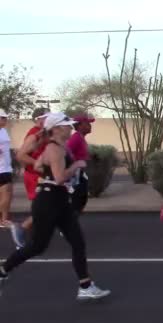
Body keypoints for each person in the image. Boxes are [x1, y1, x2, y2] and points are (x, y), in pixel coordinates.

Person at [0, 112, 111, 300]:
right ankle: (3, 270)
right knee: (37, 246)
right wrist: (76, 165)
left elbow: (36, 166)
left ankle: (85, 286)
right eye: (67, 125)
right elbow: (60, 178)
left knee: (78, 242)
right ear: (57, 129)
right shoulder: (55, 149)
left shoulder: (57, 147)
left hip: (59, 201)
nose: (70, 127)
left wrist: (46, 169)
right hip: (49, 202)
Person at [10, 107, 50, 248]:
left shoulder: (43, 133)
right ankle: (22, 229)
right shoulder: (34, 134)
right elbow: (21, 155)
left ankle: (35, 235)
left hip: (42, 175)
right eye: (46, 117)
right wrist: (39, 164)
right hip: (34, 176)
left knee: (48, 206)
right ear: (38, 119)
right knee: (45, 207)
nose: (48, 119)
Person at [66, 112, 95, 215]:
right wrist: (75, 166)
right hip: (75, 176)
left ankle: (70, 226)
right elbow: (66, 153)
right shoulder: (76, 138)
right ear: (79, 125)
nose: (90, 126)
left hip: (81, 174)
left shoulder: (81, 137)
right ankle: (68, 228)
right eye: (87, 123)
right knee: (76, 203)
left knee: (80, 202)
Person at [0, 109, 14, 229]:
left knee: (7, 194)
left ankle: (4, 219)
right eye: (2, 118)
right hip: (1, 169)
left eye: (5, 118)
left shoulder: (3, 131)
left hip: (6, 168)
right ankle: (3, 220)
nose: (5, 120)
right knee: (6, 194)